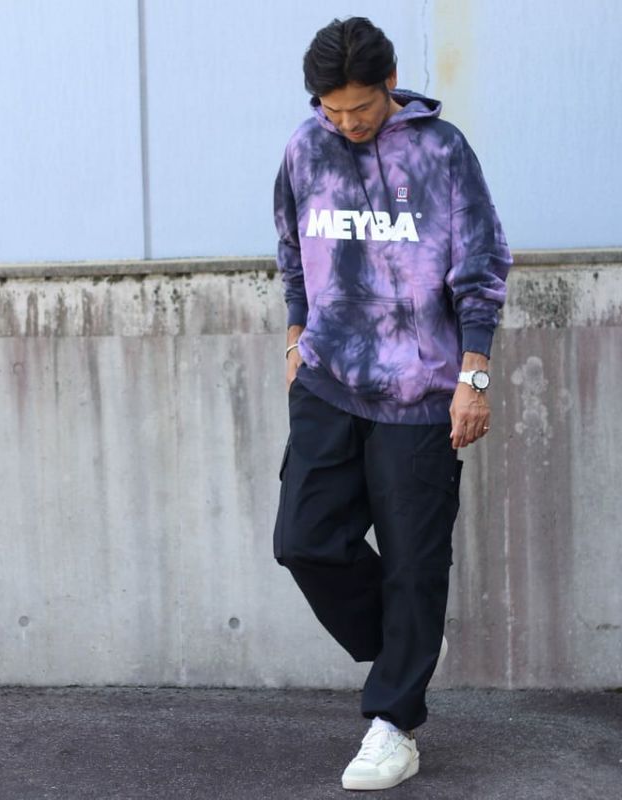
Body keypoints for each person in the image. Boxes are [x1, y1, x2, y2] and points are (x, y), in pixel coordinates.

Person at [272, 16, 512, 791]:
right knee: (304, 541)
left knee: (414, 560)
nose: (348, 123)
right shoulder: (305, 148)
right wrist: (294, 337)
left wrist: (474, 376)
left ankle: (394, 724)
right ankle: (409, 644)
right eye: (333, 110)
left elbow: (481, 264)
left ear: (391, 83)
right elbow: (292, 249)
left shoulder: (441, 151)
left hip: (422, 391)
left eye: (362, 108)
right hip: (328, 381)